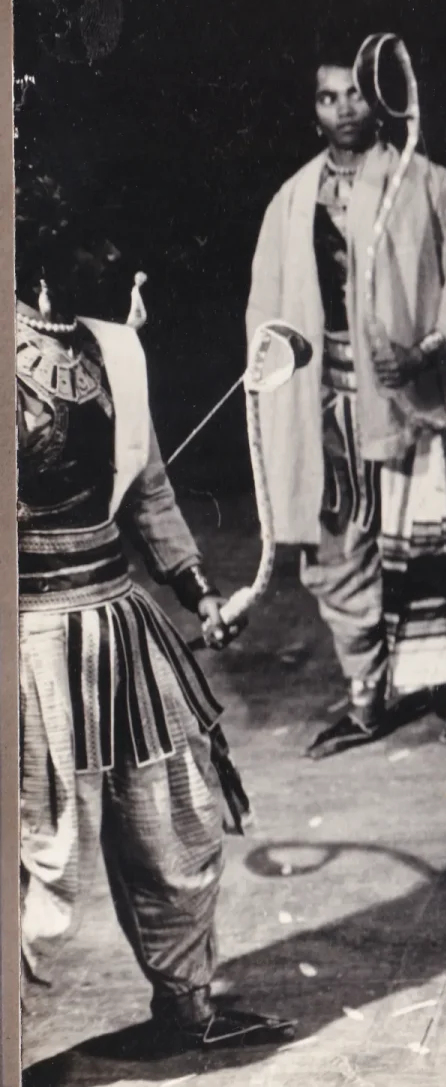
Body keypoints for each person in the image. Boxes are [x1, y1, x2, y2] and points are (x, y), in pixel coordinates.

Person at [17, 171, 291, 1048]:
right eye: (109, 259)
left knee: (177, 820)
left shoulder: (113, 354)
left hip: (121, 626)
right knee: (40, 853)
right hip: (28, 643)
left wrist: (198, 590)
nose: (127, 276)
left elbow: (147, 490)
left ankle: (187, 1007)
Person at [245, 39, 446, 759]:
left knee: (442, 546)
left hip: (413, 407)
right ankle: (366, 697)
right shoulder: (294, 200)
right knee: (338, 555)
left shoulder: (429, 184)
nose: (344, 109)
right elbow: (269, 309)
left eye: (354, 92)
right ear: (313, 109)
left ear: (378, 95)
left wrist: (425, 349)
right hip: (330, 409)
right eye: (328, 97)